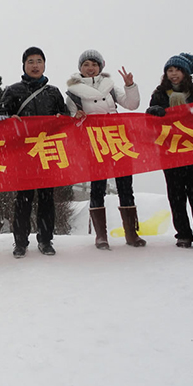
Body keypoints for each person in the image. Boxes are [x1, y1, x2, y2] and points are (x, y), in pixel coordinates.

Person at [65, 49, 145, 249]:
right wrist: (77, 118)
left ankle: (131, 233)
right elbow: (71, 121)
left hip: (117, 139)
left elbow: (132, 105)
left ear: (100, 67)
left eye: (94, 64)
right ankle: (101, 236)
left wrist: (130, 86)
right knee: (97, 187)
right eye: (86, 64)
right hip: (95, 142)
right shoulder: (73, 93)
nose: (90, 68)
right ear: (80, 68)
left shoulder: (110, 87)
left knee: (125, 185)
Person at [0, 47, 69, 258]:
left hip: (47, 152)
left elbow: (65, 118)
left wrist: (62, 118)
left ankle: (45, 240)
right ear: (24, 65)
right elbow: (0, 115)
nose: (35, 65)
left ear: (44, 65)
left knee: (47, 199)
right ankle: (20, 242)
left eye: (39, 61)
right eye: (30, 61)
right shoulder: (13, 91)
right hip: (23, 154)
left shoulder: (53, 92)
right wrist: (6, 118)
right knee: (23, 199)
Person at [146, 53, 193, 251]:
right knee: (176, 195)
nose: (173, 74)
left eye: (177, 70)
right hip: (170, 151)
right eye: (170, 70)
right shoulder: (159, 94)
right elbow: (150, 123)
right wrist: (153, 112)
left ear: (185, 73)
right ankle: (183, 234)